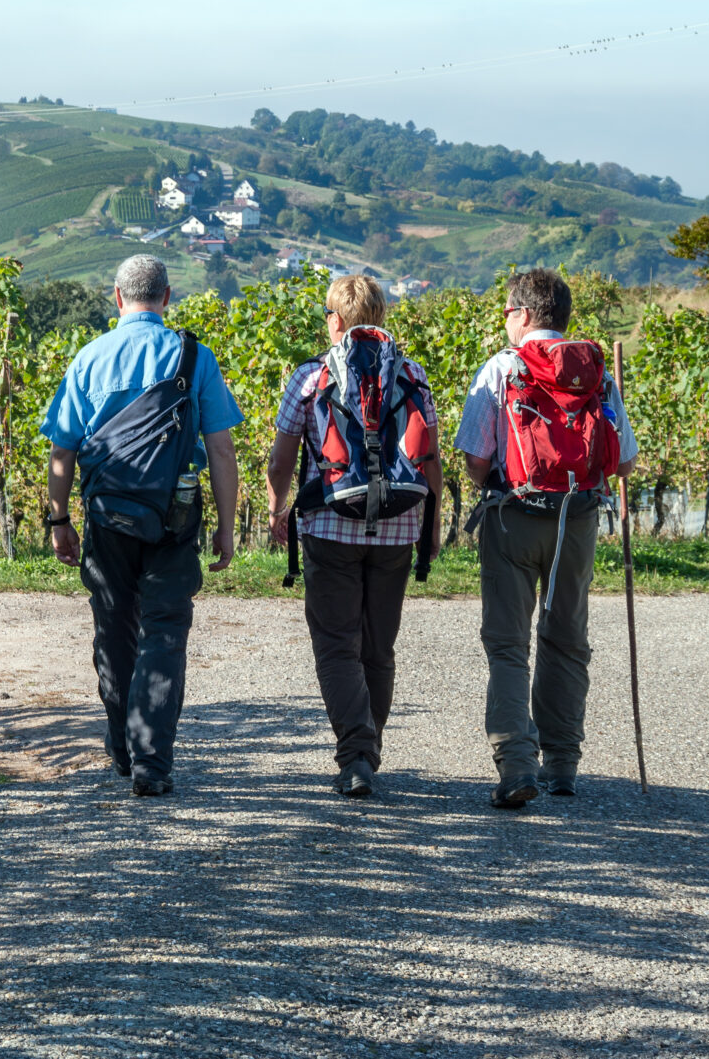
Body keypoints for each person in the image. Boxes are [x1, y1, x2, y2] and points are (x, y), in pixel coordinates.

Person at [41, 254, 244, 797]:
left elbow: (63, 450)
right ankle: (152, 761)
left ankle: (121, 748)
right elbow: (221, 450)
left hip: (108, 517)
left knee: (114, 627)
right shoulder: (194, 356)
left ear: (117, 297)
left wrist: (59, 518)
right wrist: (227, 526)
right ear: (168, 297)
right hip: (175, 518)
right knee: (165, 630)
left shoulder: (89, 357)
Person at [455, 269, 638, 809]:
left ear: (524, 314)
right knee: (566, 640)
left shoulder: (501, 368)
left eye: (508, 312)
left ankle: (516, 766)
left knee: (508, 644)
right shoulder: (594, 374)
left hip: (513, 516)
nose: (506, 322)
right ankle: (562, 766)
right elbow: (623, 460)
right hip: (576, 522)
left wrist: (499, 485)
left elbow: (475, 457)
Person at [265, 275, 442, 797]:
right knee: (378, 648)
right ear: (381, 316)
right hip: (398, 525)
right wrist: (430, 528)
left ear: (335, 320)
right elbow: (429, 457)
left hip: (329, 524)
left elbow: (281, 459)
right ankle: (367, 749)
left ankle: (357, 753)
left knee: (338, 646)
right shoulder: (412, 374)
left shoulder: (311, 376)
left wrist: (279, 508)